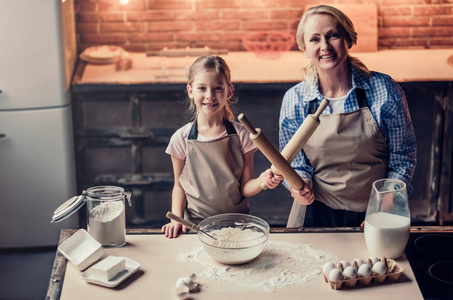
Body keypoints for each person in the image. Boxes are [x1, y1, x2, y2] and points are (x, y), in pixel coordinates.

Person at [279, 5, 417, 227]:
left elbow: (403, 157)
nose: (325, 46)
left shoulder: (384, 90)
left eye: (333, 35)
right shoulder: (295, 100)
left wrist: (385, 204)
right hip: (315, 213)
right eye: (315, 39)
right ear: (304, 48)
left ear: (348, 40)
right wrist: (299, 184)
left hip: (375, 212)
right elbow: (294, 164)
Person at [162, 55, 282, 238]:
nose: (210, 95)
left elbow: (245, 187)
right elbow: (179, 186)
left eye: (218, 88)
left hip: (237, 227)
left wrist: (263, 181)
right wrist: (176, 219)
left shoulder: (242, 136)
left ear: (229, 91)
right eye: (202, 88)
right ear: (190, 91)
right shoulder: (181, 138)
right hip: (196, 228)